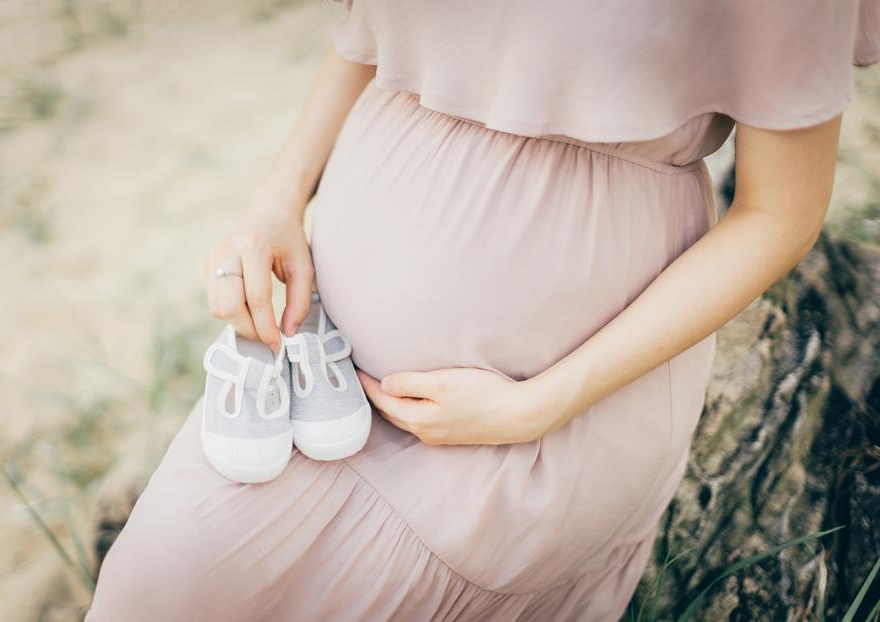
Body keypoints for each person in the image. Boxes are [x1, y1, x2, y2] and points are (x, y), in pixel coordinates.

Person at [85, 1, 880, 620]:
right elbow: (368, 35)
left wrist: (540, 404)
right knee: (150, 591)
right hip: (312, 364)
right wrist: (277, 198)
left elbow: (781, 210)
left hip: (535, 416)